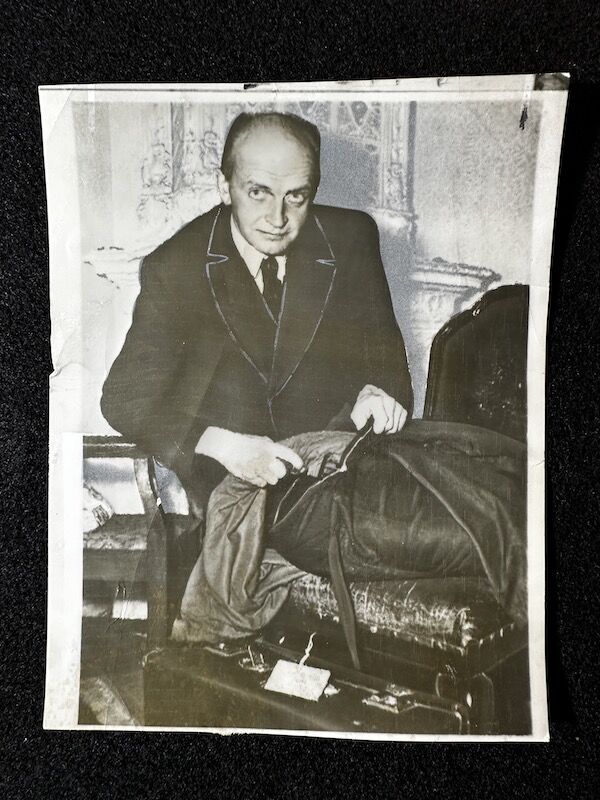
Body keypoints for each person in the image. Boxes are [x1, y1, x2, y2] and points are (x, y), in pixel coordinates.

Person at [101, 111, 413, 516]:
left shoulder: (352, 239)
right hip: (234, 489)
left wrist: (376, 392)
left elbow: (391, 371)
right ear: (225, 186)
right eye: (258, 193)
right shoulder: (176, 267)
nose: (277, 219)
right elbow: (125, 399)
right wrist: (223, 445)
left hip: (341, 476)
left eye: (296, 196)